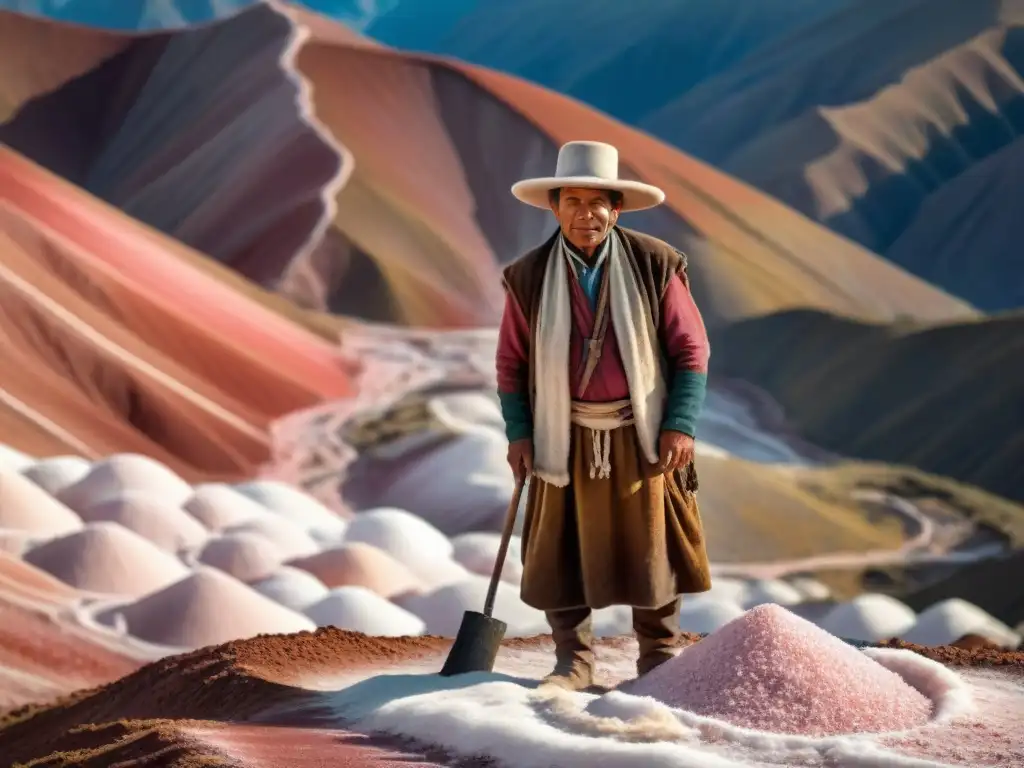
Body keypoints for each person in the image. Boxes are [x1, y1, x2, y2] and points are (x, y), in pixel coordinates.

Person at [495, 141, 712, 691]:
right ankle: (574, 660)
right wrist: (520, 431)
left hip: (640, 431)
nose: (586, 214)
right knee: (558, 544)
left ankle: (658, 657)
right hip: (560, 433)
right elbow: (511, 362)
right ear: (555, 207)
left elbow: (691, 350)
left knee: (652, 544)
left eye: (598, 203)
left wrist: (680, 423)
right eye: (574, 201)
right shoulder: (527, 276)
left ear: (616, 209)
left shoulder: (655, 263)